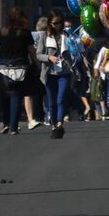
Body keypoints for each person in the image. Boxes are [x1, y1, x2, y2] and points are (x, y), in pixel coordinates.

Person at [0, 7, 33, 134]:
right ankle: (13, 127)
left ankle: (6, 123)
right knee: (16, 96)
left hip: (4, 68)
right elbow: (31, 51)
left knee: (3, 96)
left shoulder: (3, 31)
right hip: (20, 68)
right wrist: (37, 65)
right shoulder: (25, 32)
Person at [35, 11, 72, 139]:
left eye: (60, 22)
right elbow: (38, 54)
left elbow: (73, 51)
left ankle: (60, 123)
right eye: (55, 23)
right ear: (50, 23)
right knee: (51, 101)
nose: (58, 25)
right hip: (49, 73)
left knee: (61, 99)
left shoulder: (66, 35)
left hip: (64, 72)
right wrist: (49, 57)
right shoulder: (44, 36)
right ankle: (53, 124)